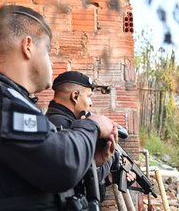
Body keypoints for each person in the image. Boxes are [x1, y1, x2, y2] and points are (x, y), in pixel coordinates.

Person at [0, 5, 118, 211]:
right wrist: (91, 127)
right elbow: (60, 166)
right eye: (47, 51)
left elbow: (29, 175)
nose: (50, 62)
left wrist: (88, 157)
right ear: (28, 46)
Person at [46, 71, 136, 208]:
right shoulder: (66, 127)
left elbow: (81, 181)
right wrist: (110, 158)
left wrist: (109, 179)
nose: (91, 103)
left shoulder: (57, 122)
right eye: (89, 97)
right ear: (75, 96)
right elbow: (76, 174)